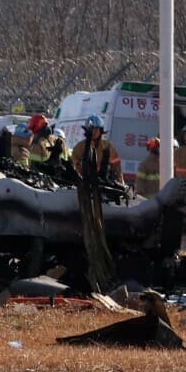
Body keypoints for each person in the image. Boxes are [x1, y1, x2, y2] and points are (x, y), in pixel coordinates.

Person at [70, 115, 122, 293]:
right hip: (86, 188)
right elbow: (73, 164)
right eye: (92, 130)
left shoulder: (108, 147)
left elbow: (117, 166)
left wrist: (119, 183)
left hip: (105, 188)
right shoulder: (80, 147)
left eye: (97, 130)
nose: (95, 133)